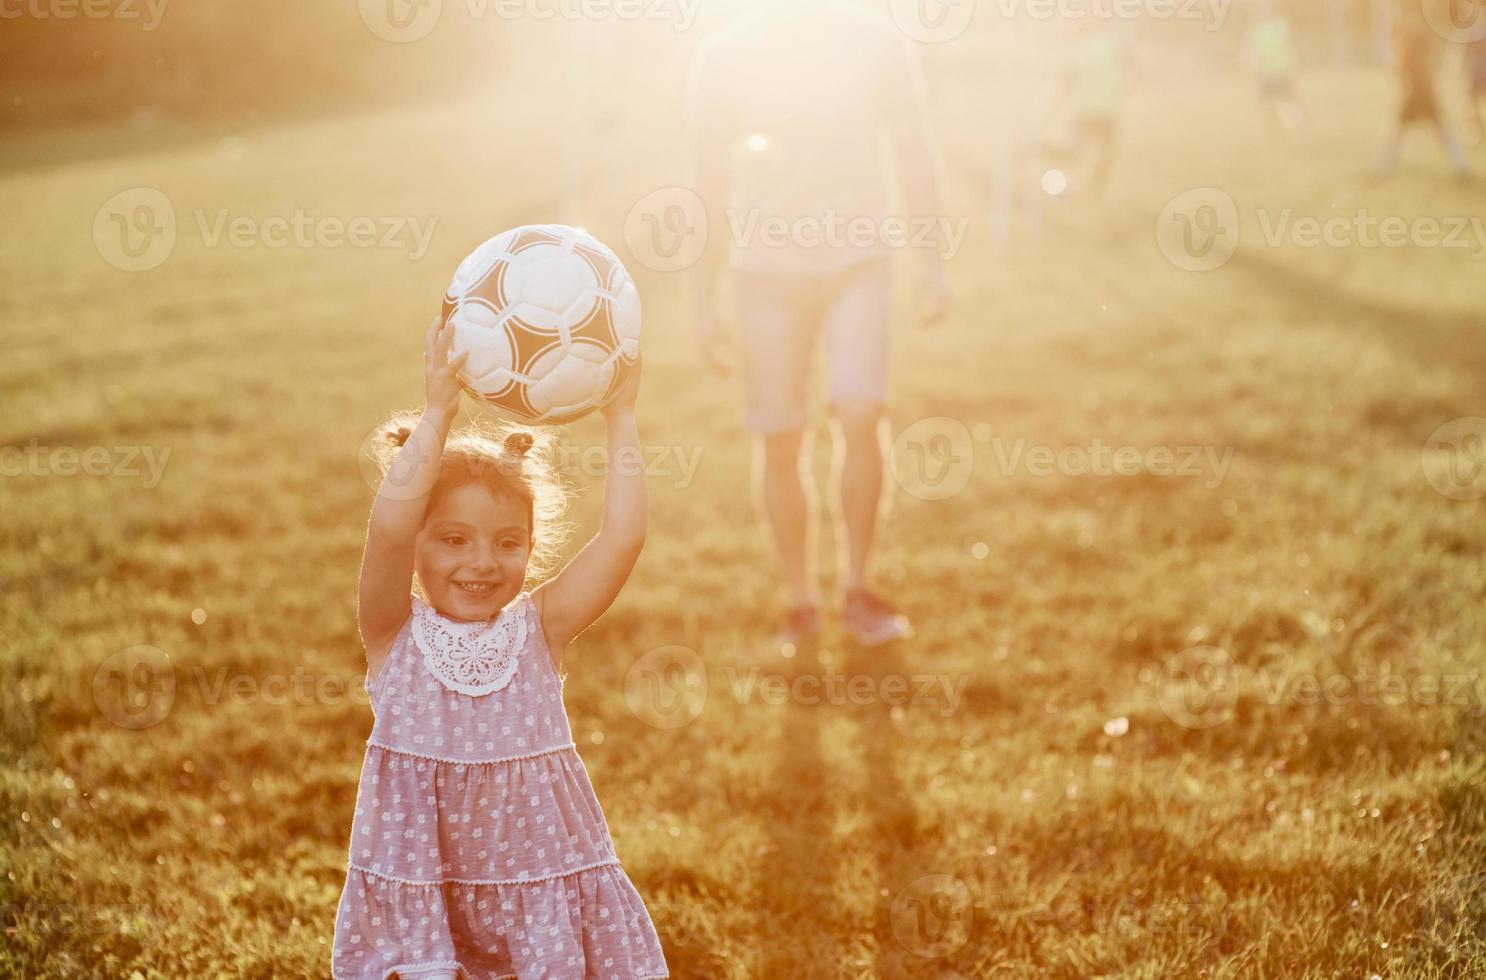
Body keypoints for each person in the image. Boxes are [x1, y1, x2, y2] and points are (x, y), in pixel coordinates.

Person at [332, 316, 667, 979]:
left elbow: (623, 539)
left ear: (529, 547)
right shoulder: (392, 631)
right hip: (429, 885)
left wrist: (620, 417)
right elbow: (390, 527)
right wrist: (436, 413)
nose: (481, 562)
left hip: (536, 880)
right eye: (454, 539)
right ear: (422, 545)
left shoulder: (540, 627)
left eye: (507, 543)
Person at [686, 0, 949, 649]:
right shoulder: (723, 54)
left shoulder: (878, 41)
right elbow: (708, 184)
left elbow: (915, 152)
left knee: (860, 412)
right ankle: (799, 602)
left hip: (859, 260)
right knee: (780, 437)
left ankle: (857, 588)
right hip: (764, 273)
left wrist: (933, 261)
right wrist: (701, 299)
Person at [1376, 10, 1471, 180]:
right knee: (1426, 127)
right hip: (1419, 88)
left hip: (1420, 89)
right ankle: (1460, 164)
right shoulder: (1411, 32)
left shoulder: (1416, 34)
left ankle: (1385, 166)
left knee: (1410, 127)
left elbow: (1413, 63)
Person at [1248, 0, 1307, 133]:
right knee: (1265, 102)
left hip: (1282, 69)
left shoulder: (1282, 24)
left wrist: (1294, 67)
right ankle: (1272, 129)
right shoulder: (1256, 26)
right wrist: (1255, 68)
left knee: (1289, 100)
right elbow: (1253, 49)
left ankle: (1298, 126)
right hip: (1265, 71)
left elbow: (1292, 44)